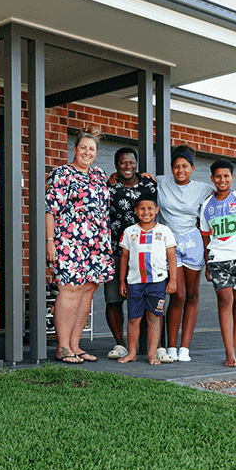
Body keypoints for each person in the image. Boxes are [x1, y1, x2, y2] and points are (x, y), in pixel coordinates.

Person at [156, 146, 236, 364]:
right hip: (170, 243)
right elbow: (139, 181)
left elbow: (225, 189)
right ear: (171, 168)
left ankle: (184, 348)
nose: (180, 170)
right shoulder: (161, 182)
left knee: (192, 295)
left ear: (192, 168)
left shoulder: (203, 188)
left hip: (193, 243)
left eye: (185, 166)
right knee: (177, 295)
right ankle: (171, 345)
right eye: (176, 166)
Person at [45, 126, 114, 364]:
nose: (87, 152)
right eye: (83, 147)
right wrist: (49, 242)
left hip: (96, 242)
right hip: (69, 241)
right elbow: (50, 210)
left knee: (87, 290)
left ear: (96, 153)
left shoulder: (99, 175)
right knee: (69, 289)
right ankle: (62, 346)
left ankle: (75, 344)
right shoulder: (61, 173)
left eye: (91, 149)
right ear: (74, 149)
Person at [199, 159, 236, 368]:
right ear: (212, 179)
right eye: (218, 176)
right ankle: (229, 351)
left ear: (232, 178)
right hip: (218, 259)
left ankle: (233, 347)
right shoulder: (206, 205)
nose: (222, 180)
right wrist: (207, 264)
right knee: (225, 300)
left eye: (226, 176)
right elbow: (206, 237)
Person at [103, 147, 157, 360]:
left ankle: (150, 345)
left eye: (131, 162)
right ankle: (121, 344)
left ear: (136, 164)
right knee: (114, 299)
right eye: (123, 162)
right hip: (115, 251)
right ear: (116, 165)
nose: (128, 166)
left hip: (144, 252)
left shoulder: (149, 185)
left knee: (145, 299)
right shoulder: (110, 187)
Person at [117, 197, 177, 364]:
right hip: (135, 282)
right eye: (142, 209)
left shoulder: (164, 231)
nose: (146, 212)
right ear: (136, 211)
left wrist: (173, 280)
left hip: (157, 282)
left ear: (157, 210)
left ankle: (152, 353)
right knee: (133, 318)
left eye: (150, 208)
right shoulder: (130, 232)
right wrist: (122, 281)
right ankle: (132, 353)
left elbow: (171, 256)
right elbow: (124, 257)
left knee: (154, 317)